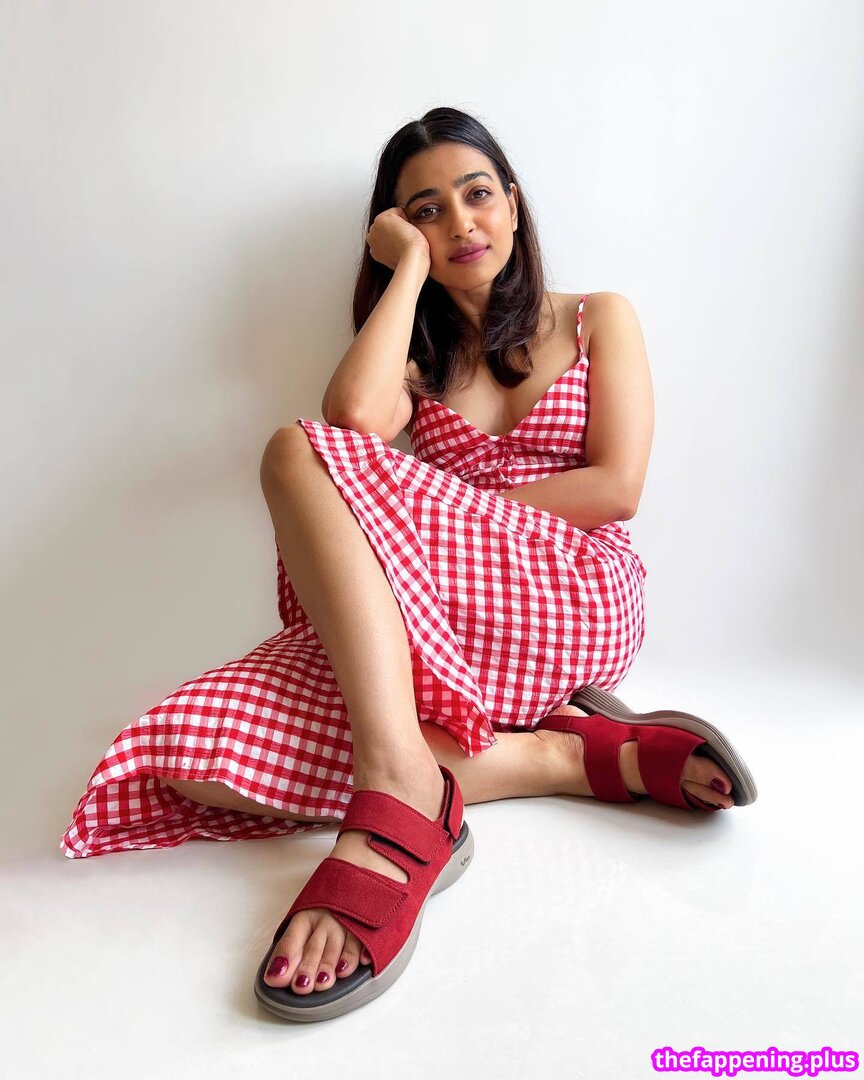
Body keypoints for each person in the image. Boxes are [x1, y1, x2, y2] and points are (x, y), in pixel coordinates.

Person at [60, 106, 756, 1022]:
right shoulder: (419, 362)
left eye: (477, 194)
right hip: (449, 613)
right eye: (426, 212)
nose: (460, 222)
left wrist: (437, 517)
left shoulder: (597, 318)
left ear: (514, 203)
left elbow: (616, 487)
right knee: (188, 754)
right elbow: (354, 414)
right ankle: (554, 758)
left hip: (576, 592)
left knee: (292, 452)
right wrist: (411, 275)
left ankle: (399, 788)